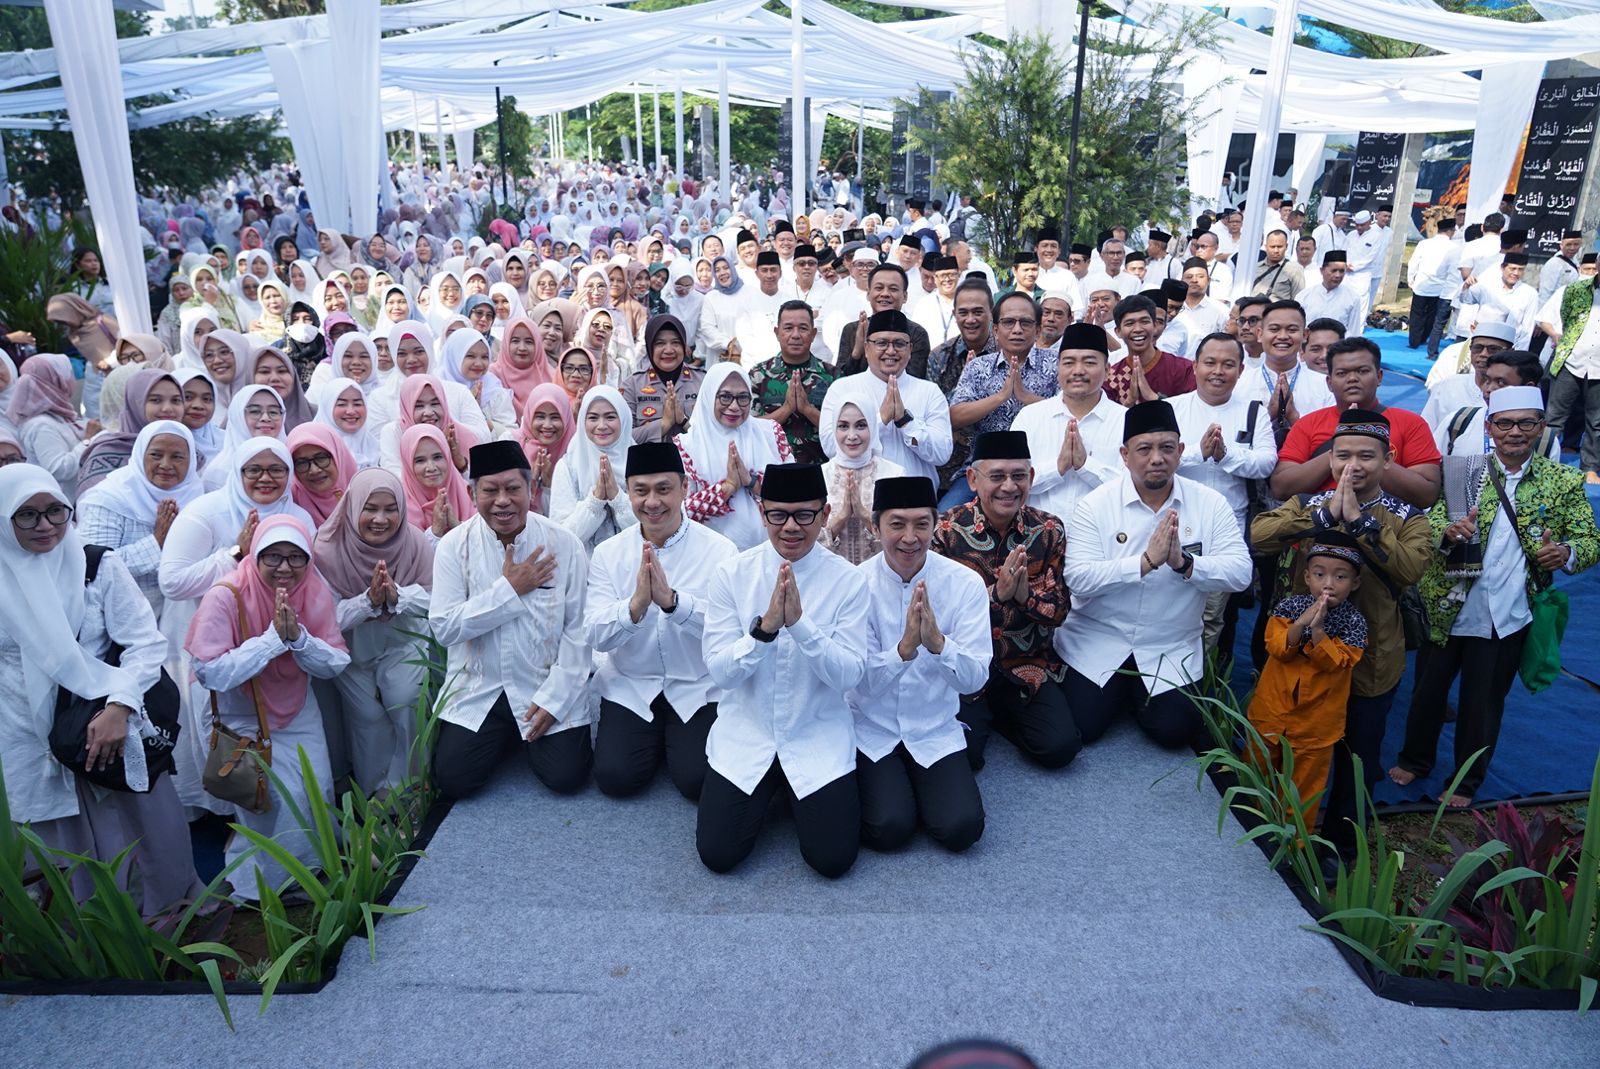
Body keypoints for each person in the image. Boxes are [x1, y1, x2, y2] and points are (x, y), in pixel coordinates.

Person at [0, 464, 202, 916]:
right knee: (58, 857)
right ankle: (82, 949)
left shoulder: (96, 567)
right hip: (24, 738)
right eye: (27, 515)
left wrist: (120, 706)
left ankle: (161, 931)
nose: (46, 525)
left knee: (141, 836)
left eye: (55, 510)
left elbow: (146, 645)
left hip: (108, 729)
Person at [1394, 387, 1599, 805]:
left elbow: (1589, 538)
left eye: (1527, 423)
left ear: (1541, 428)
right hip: (1448, 604)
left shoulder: (1562, 481)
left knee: (1482, 704)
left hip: (1507, 612)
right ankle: (1415, 760)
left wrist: (1565, 552)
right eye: (1505, 423)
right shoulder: (1462, 470)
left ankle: (1466, 782)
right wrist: (1448, 533)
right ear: (1489, 427)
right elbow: (1427, 524)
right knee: (1428, 693)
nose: (1515, 432)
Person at [1251, 408, 1432, 861]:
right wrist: (1323, 516)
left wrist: (1362, 525)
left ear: (1388, 459)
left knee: (1358, 754)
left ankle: (1342, 843)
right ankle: (1277, 823)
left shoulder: (1408, 516)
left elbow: (1410, 568)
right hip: (1302, 660)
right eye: (1342, 454)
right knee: (1295, 746)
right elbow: (1260, 535)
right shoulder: (1311, 504)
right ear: (1330, 459)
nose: (1353, 465)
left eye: (1366, 456)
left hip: (1369, 662)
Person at [697, 462, 868, 878]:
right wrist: (765, 631)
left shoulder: (848, 581)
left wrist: (802, 627)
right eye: (778, 514)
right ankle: (774, 791)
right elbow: (720, 672)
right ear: (762, 512)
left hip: (816, 735)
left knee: (832, 861)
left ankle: (793, 793)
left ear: (824, 515)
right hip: (747, 734)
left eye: (804, 515)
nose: (790, 527)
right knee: (718, 855)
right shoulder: (731, 575)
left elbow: (850, 676)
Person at [1058, 401, 1251, 749]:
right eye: (1144, 449)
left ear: (1180, 452)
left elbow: (1240, 573)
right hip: (1099, 639)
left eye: (1166, 448)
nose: (1156, 458)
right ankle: (1119, 694)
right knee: (1080, 727)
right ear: (1125, 454)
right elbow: (1078, 578)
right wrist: (1144, 562)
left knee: (1173, 732)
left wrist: (1185, 564)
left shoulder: (1210, 503)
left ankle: (1135, 697)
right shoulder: (1095, 504)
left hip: (1170, 644)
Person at [187, 514, 350, 899]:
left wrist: (298, 637)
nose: (284, 568)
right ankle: (274, 885)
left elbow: (335, 662)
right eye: (272, 556)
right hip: (238, 713)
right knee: (269, 799)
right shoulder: (225, 595)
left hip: (297, 709)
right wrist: (271, 642)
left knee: (315, 789)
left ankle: (311, 868)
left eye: (296, 557)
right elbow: (209, 671)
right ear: (255, 554)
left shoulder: (313, 592)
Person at [428, 441, 592, 799]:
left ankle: (522, 734)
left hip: (542, 684)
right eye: (490, 490)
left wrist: (557, 698)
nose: (502, 500)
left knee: (567, 776)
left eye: (513, 488)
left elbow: (579, 631)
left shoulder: (564, 544)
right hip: (480, 688)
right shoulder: (454, 547)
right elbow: (444, 627)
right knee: (454, 780)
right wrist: (509, 591)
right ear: (473, 494)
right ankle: (503, 736)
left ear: (531, 490)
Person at [585, 442, 738, 800]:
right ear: (629, 493)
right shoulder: (609, 554)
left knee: (697, 780)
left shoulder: (720, 551)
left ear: (685, 488)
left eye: (663, 489)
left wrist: (673, 604)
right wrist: (635, 606)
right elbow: (594, 634)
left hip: (696, 685)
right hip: (632, 684)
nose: (652, 502)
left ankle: (673, 740)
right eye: (641, 491)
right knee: (615, 778)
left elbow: (728, 631)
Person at [850, 475, 989, 852]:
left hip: (933, 726)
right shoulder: (856, 585)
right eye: (897, 524)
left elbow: (974, 679)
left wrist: (939, 645)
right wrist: (904, 649)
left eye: (921, 524)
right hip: (873, 727)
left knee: (961, 830)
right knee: (889, 829)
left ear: (936, 525)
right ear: (876, 527)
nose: (910, 537)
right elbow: (857, 683)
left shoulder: (965, 583)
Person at [933, 431, 1074, 770]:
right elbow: (939, 618)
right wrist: (996, 596)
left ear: (1031, 479)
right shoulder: (946, 532)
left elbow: (1059, 612)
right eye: (997, 476)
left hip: (1024, 665)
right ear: (972, 479)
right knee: (964, 757)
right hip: (965, 671)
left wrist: (1025, 597)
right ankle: (982, 717)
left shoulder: (1048, 531)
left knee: (1060, 748)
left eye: (1018, 476)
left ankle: (996, 716)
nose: (1009, 487)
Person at [312, 469, 435, 793]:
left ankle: (412, 788)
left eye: (390, 509)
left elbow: (437, 599)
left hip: (403, 641)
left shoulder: (415, 542)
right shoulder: (327, 550)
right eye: (370, 508)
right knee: (367, 717)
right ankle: (376, 797)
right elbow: (324, 619)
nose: (380, 519)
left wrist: (400, 597)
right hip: (350, 649)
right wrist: (367, 602)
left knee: (405, 702)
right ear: (353, 508)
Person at [1246, 532, 1368, 830]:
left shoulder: (1355, 623)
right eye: (1319, 574)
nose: (1328, 583)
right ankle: (1246, 829)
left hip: (1316, 726)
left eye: (1340, 576)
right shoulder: (1288, 608)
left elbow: (1337, 663)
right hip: (1270, 713)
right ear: (1306, 577)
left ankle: (1294, 845)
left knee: (1303, 791)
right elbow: (1275, 648)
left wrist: (1319, 632)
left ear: (1355, 583)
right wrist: (1302, 623)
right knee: (1255, 774)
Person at [1170, 333, 1279, 653]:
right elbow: (1153, 460)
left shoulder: (1253, 412)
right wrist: (1197, 453)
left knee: (1214, 617)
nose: (1218, 371)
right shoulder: (1172, 408)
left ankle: (1204, 686)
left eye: (1228, 364)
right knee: (1170, 608)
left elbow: (1266, 463)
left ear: (1241, 370)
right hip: (1175, 521)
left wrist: (1226, 456)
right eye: (1210, 363)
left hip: (1226, 529)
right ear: (1195, 366)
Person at [1271, 338, 1441, 511]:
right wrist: (1342, 448)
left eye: (1362, 371)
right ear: (1329, 383)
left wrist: (1369, 450)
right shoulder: (1308, 424)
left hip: (1387, 531)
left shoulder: (1411, 423)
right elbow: (1281, 488)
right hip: (1317, 528)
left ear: (1379, 377)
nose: (1352, 378)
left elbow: (1426, 494)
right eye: (1342, 373)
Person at [76, 420, 205, 616]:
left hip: (178, 619)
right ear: (140, 454)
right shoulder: (108, 498)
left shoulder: (197, 498)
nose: (165, 465)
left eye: (177, 457)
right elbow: (95, 568)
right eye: (156, 455)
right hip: (118, 617)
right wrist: (157, 542)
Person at [944, 292, 1059, 508]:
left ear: (1037, 329)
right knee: (944, 519)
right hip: (985, 467)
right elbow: (955, 416)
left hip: (1041, 466)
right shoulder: (979, 366)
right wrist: (1000, 397)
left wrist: (1025, 397)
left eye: (1025, 322)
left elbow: (1069, 413)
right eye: (1008, 322)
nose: (1017, 329)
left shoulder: (1057, 364)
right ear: (995, 330)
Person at [1008, 323, 1126, 524]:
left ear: (1107, 370)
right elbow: (1009, 484)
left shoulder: (1125, 421)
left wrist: (1086, 466)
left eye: (1089, 363)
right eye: (1069, 363)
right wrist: (1057, 467)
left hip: (1104, 539)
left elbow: (1134, 488)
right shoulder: (1030, 417)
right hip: (1036, 539)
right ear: (1058, 368)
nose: (1078, 371)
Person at [675, 362, 791, 549]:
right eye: (725, 397)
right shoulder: (687, 446)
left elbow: (794, 494)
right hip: (710, 557)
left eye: (743, 397)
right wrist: (726, 488)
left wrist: (751, 482)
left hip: (772, 552)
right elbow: (678, 514)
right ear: (709, 396)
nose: (735, 406)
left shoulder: (770, 434)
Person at [1234, 301, 1336, 450]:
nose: (1282, 336)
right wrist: (1268, 416)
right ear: (1260, 334)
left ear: (1305, 335)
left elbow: (1329, 447)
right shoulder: (1240, 383)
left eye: (1292, 329)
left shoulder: (1326, 386)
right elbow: (1233, 440)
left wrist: (1294, 417)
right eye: (1274, 329)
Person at [550, 386, 637, 552]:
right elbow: (561, 538)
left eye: (610, 417)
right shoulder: (569, 466)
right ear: (583, 420)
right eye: (593, 418)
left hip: (630, 566)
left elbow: (650, 529)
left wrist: (617, 498)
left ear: (624, 419)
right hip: (584, 569)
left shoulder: (639, 461)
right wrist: (596, 500)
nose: (601, 426)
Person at [748, 301, 835, 465]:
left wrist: (808, 410)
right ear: (777, 332)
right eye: (788, 328)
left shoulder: (832, 376)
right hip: (772, 470)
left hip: (821, 471)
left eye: (803, 328)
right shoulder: (758, 375)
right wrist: (787, 409)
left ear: (813, 333)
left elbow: (842, 428)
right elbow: (750, 429)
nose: (796, 335)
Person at [1541, 268, 1600, 483]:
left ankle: (1590, 468)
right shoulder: (1576, 289)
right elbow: (1566, 318)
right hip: (1571, 361)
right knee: (1554, 417)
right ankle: (1542, 462)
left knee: (1596, 421)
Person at [8, 353, 92, 501]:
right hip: (66, 505)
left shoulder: (56, 415)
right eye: (68, 375)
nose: (71, 380)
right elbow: (58, 469)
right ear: (55, 382)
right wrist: (88, 440)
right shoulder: (40, 425)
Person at [833, 265, 933, 378]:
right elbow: (840, 380)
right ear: (868, 294)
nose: (885, 294)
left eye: (893, 289)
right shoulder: (852, 330)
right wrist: (858, 350)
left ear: (905, 296)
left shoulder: (916, 333)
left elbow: (915, 380)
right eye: (879, 288)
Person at [623, 314, 705, 444]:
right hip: (649, 463)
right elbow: (622, 438)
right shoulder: (632, 385)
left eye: (676, 343)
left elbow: (714, 434)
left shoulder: (703, 381)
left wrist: (684, 421)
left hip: (694, 462)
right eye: (660, 343)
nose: (669, 350)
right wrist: (664, 424)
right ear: (650, 347)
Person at [1101, 295, 1196, 405]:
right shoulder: (1112, 377)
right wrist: (1129, 402)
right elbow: (1108, 418)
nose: (1138, 329)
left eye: (1144, 321)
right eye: (1129, 323)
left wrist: (1153, 398)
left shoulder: (1183, 370)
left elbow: (1191, 411)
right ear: (1118, 332)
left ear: (1155, 326)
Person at [1406, 216, 1461, 358]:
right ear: (1451, 231)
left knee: (1417, 314)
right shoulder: (1454, 248)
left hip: (1421, 285)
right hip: (1439, 288)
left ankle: (1414, 341)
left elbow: (1413, 263)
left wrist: (1410, 279)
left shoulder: (1424, 244)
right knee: (1432, 316)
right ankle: (1424, 338)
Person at [1295, 252, 1363, 338]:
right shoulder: (1304, 296)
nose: (1338, 275)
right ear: (1322, 270)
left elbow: (1354, 332)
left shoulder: (1353, 298)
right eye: (1334, 271)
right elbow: (1297, 327)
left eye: (1341, 271)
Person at [1251, 230, 1305, 301]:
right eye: (1272, 247)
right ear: (1266, 247)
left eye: (1279, 247)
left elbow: (1298, 300)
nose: (1276, 250)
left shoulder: (1295, 270)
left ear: (1286, 246)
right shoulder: (1255, 268)